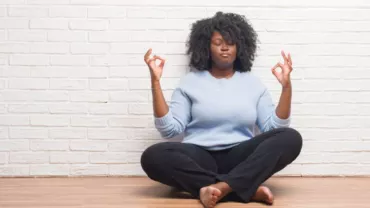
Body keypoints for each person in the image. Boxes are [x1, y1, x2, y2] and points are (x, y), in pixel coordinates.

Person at [140, 11, 302, 208]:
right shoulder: (189, 83)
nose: (224, 48)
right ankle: (242, 188)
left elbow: (273, 128)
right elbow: (169, 130)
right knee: (152, 157)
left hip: (240, 157)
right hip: (199, 156)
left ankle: (221, 188)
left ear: (240, 47)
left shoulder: (253, 84)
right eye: (218, 43)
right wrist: (155, 82)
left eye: (231, 43)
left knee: (290, 138)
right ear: (207, 47)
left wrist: (286, 87)